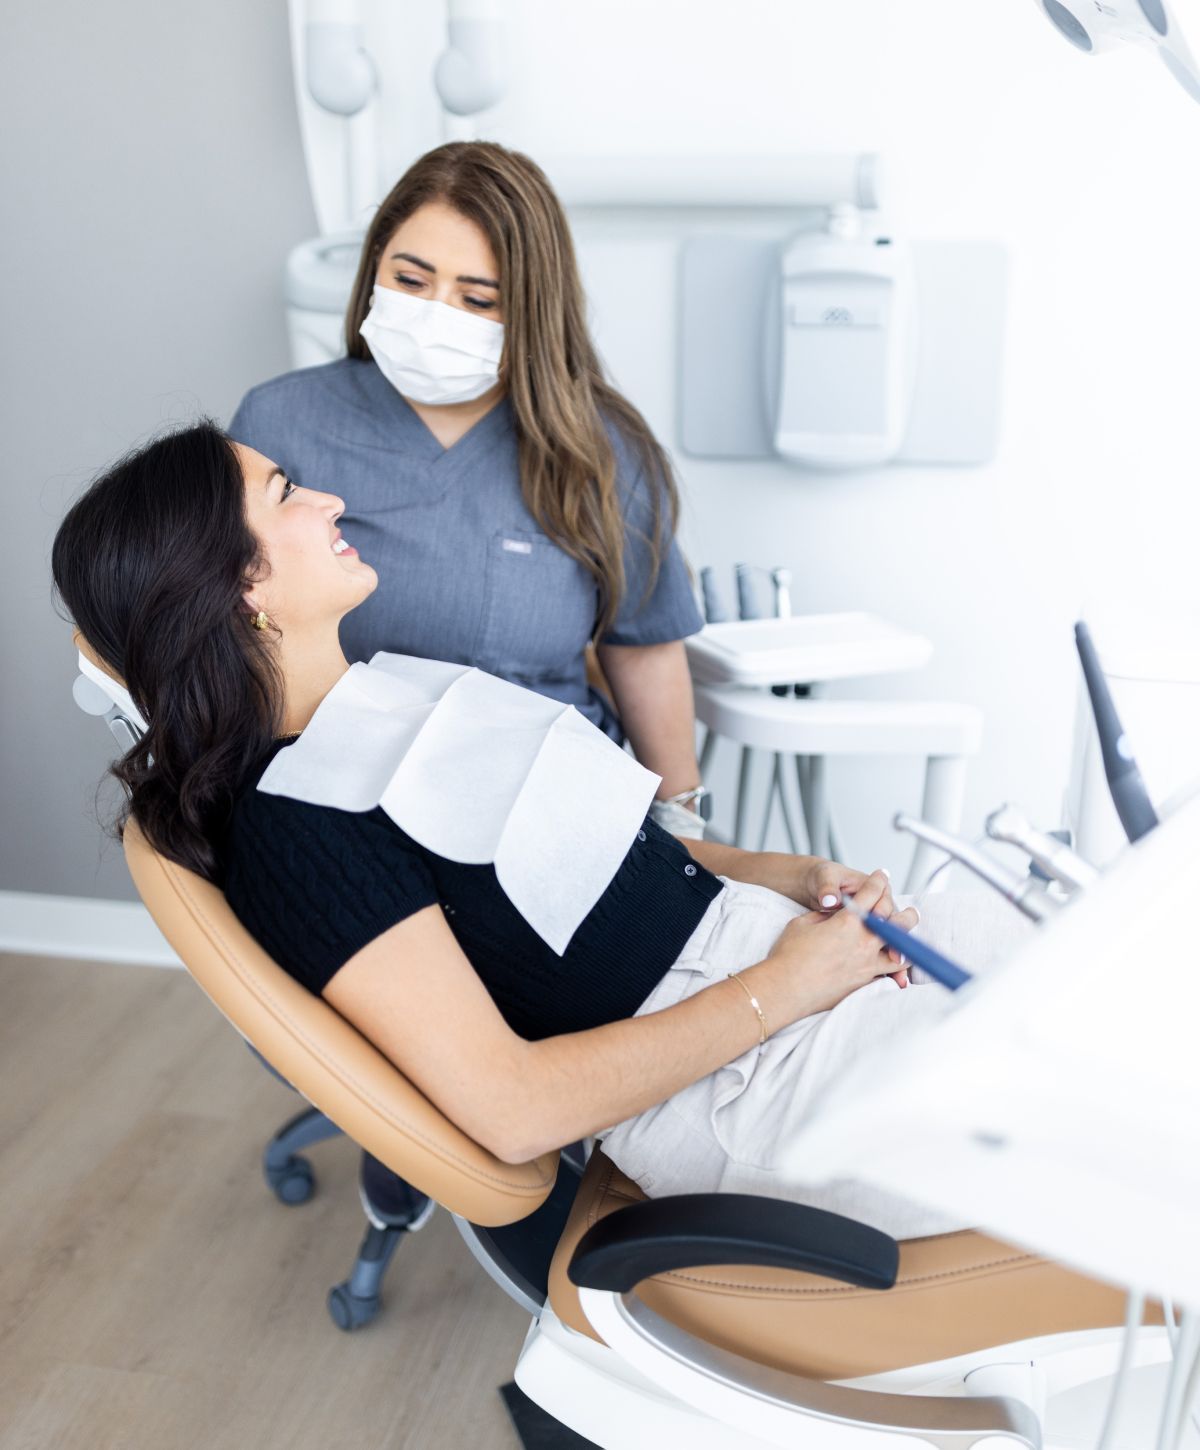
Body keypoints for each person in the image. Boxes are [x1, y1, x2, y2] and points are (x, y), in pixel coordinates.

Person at [52, 424, 1023, 1239]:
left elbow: (639, 857)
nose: (331, 502)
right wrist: (789, 985)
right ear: (243, 587)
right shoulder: (298, 830)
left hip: (782, 962)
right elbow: (516, 1111)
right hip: (740, 1084)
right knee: (1104, 1098)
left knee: (1091, 960)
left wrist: (802, 876)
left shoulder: (393, 693)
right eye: (287, 492)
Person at [230, 140, 708, 838]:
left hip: (555, 810)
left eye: (477, 299)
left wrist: (683, 822)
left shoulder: (602, 451)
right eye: (411, 281)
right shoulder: (280, 424)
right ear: (373, 271)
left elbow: (645, 645)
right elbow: (224, 626)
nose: (435, 316)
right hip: (350, 809)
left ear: (531, 310)